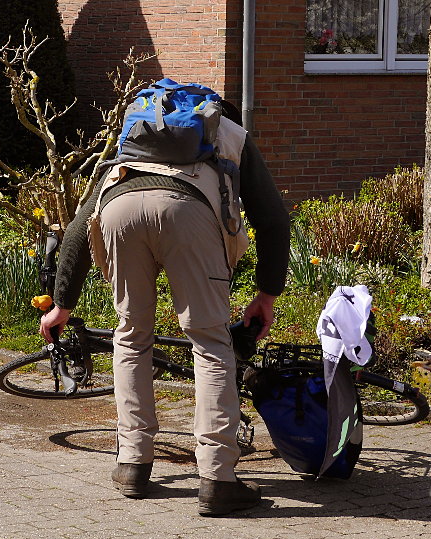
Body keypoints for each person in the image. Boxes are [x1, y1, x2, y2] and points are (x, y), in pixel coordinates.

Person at [39, 110, 290, 516]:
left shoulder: (135, 134)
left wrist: (62, 306)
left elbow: (79, 227)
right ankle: (217, 479)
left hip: (119, 210)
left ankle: (133, 464)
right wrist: (267, 293)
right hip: (188, 213)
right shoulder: (230, 133)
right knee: (210, 342)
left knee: (132, 337)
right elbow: (273, 218)